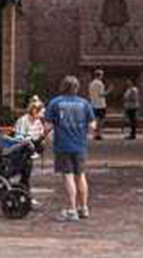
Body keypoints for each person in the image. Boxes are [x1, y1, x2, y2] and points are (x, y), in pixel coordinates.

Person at [44, 75, 97, 221]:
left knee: (68, 176)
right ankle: (84, 208)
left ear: (63, 87)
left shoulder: (55, 103)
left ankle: (72, 210)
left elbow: (47, 127)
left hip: (63, 145)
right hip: (80, 145)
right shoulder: (85, 103)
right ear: (77, 88)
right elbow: (92, 125)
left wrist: (48, 138)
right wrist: (86, 136)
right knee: (81, 175)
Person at [13, 96, 48, 201]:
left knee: (26, 175)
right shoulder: (23, 121)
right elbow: (18, 137)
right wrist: (29, 141)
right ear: (34, 111)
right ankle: (25, 196)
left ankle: (24, 195)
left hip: (30, 152)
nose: (43, 115)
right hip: (22, 152)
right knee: (25, 174)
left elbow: (40, 134)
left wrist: (42, 139)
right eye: (41, 112)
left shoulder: (37, 121)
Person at [88, 69, 107, 141]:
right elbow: (101, 94)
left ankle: (94, 134)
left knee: (95, 120)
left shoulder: (91, 84)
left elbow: (90, 94)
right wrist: (109, 91)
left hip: (93, 103)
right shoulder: (100, 84)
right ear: (99, 75)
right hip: (101, 104)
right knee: (101, 120)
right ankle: (99, 134)